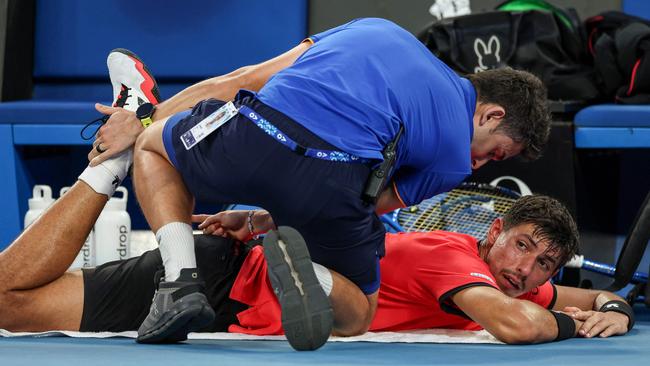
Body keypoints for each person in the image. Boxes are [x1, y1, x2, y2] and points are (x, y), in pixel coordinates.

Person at [91, 18, 552, 349]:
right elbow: (372, 204)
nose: (480, 165)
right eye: (494, 152)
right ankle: (309, 273)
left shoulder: (375, 29)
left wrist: (142, 121)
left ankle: (180, 279)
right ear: (492, 114)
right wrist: (258, 223)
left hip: (256, 134)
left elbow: (242, 80)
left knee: (152, 146)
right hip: (336, 178)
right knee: (358, 315)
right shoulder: (452, 162)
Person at [0, 173, 633, 344]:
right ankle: (110, 164)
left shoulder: (508, 279)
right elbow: (520, 324)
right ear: (493, 232)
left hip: (231, 312)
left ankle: (318, 273)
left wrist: (613, 307)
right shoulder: (454, 258)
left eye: (547, 263)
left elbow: (564, 298)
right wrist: (566, 324)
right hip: (221, 276)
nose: (528, 270)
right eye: (523, 246)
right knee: (8, 303)